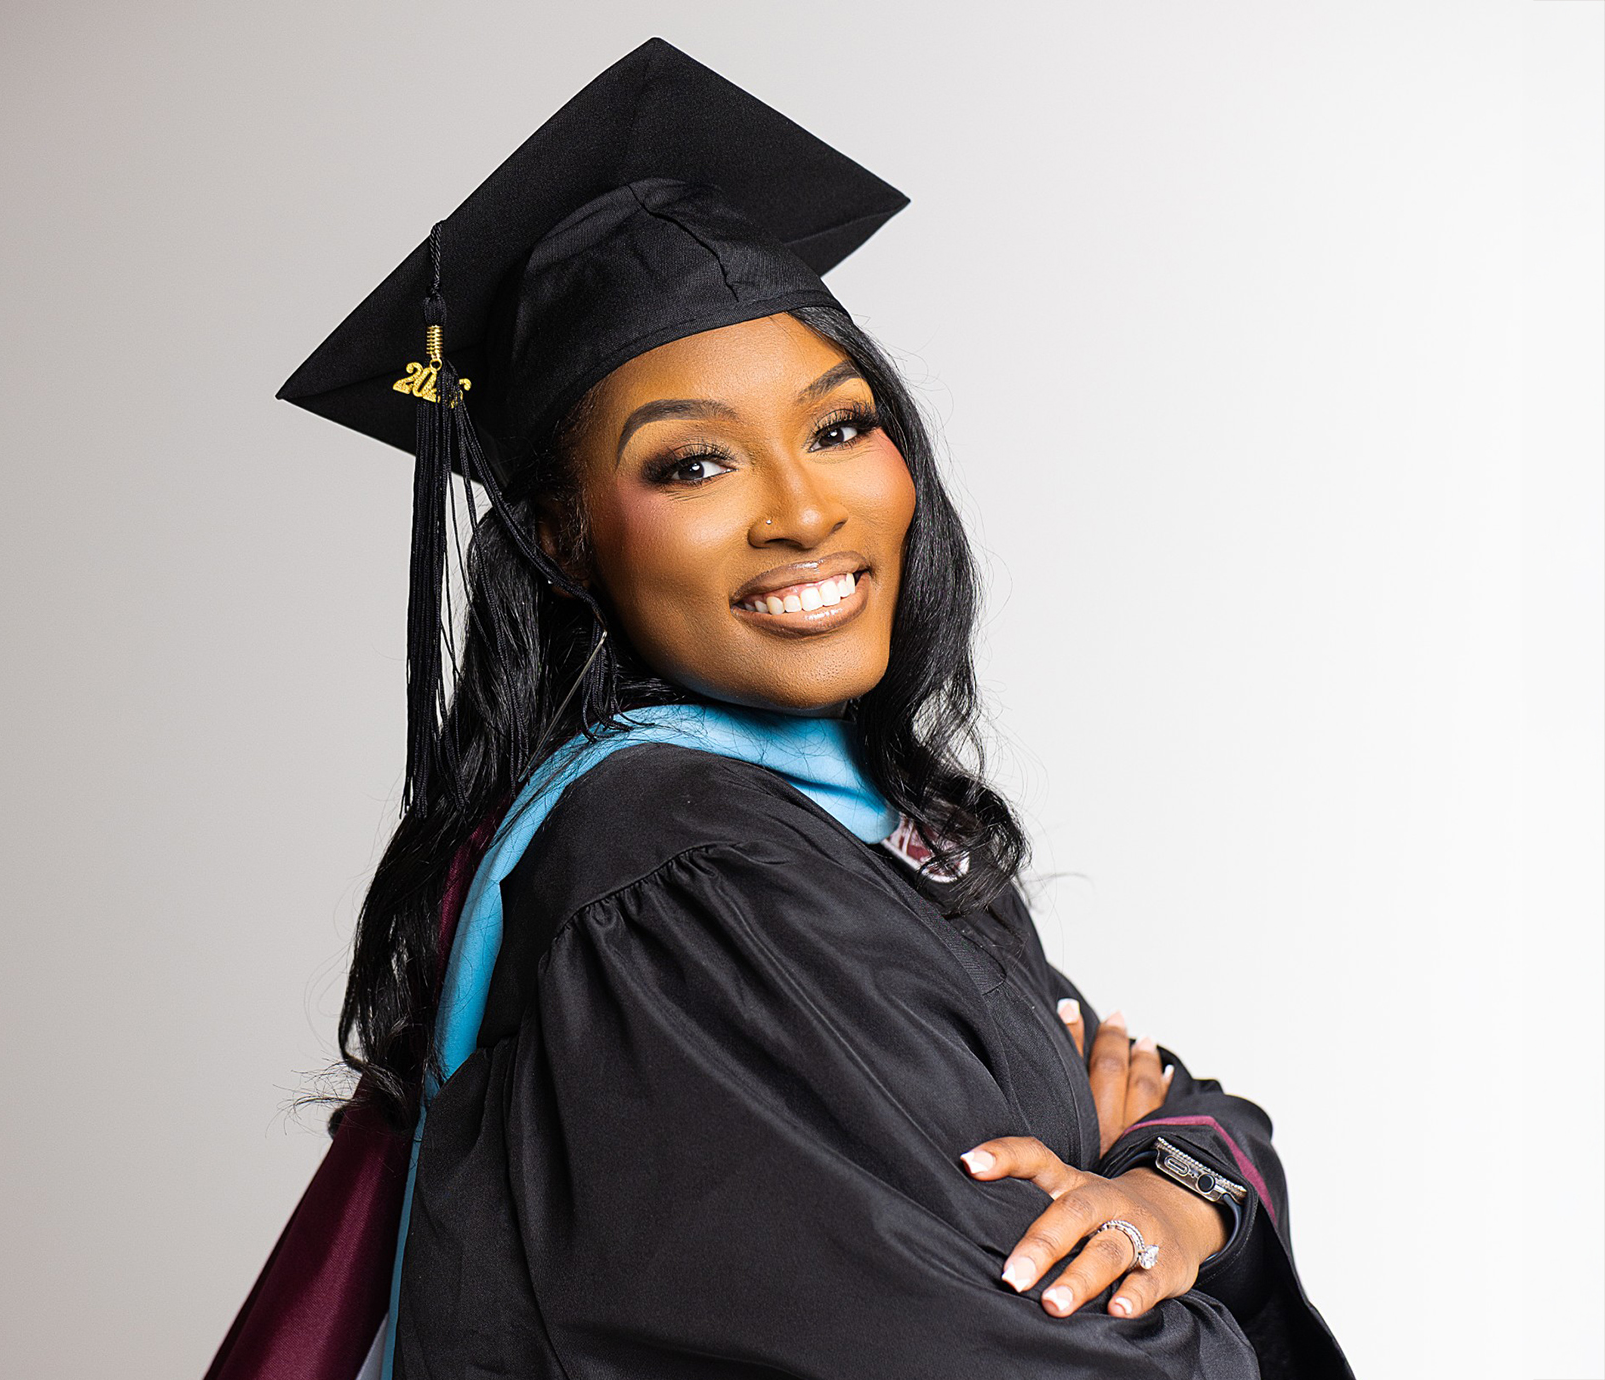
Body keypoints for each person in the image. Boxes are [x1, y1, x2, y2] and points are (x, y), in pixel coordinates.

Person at [206, 38, 1354, 1380]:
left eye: (838, 426)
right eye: (692, 462)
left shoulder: (848, 833)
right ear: (564, 540)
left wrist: (1169, 1194)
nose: (805, 510)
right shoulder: (685, 878)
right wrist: (1156, 1240)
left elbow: (1164, 1091)